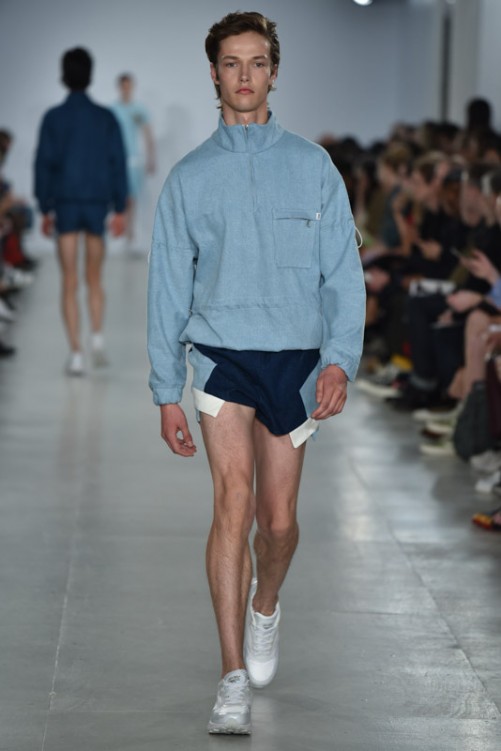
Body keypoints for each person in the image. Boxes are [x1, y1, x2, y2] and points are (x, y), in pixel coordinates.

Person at [147, 11, 365, 735]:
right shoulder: (189, 177)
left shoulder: (312, 166)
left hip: (295, 357)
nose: (245, 75)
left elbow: (343, 273)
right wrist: (165, 389)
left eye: (257, 62)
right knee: (231, 505)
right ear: (213, 73)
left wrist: (340, 359)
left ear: (274, 72)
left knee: (278, 524)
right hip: (220, 356)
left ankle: (265, 603)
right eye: (232, 63)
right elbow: (167, 287)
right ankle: (231, 675)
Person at [34, 48, 127, 375]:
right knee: (94, 277)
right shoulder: (105, 118)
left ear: (64, 75)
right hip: (96, 204)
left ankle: (76, 353)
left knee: (70, 280)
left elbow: (44, 164)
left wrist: (44, 207)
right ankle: (97, 338)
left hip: (66, 205)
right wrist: (120, 207)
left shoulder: (53, 118)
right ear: (90, 74)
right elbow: (117, 163)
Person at [111, 73, 155, 252]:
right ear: (119, 87)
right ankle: (119, 233)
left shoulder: (139, 109)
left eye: (129, 86)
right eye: (124, 86)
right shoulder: (113, 109)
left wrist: (151, 157)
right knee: (118, 197)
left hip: (133, 160)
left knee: (132, 198)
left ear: (132, 87)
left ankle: (130, 236)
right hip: (116, 159)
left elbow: (147, 133)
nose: (126, 89)